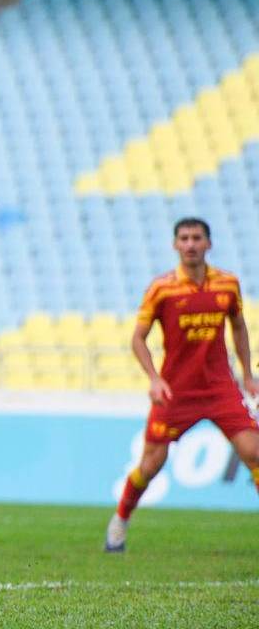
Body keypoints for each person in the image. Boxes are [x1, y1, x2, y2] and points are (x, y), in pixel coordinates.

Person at [106, 217, 259, 552]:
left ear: (208, 243)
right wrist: (154, 378)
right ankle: (120, 520)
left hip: (220, 388)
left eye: (197, 238)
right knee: (150, 465)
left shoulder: (227, 285)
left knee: (255, 453)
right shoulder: (162, 289)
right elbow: (138, 339)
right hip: (176, 391)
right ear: (175, 245)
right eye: (184, 238)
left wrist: (247, 374)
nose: (190, 244)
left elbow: (238, 326)